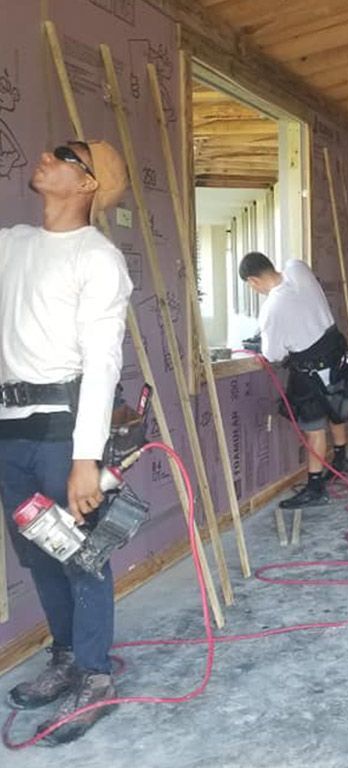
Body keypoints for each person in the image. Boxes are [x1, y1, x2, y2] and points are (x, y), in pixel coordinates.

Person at [1, 140, 132, 743]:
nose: (47, 157)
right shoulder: (13, 244)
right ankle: (65, 658)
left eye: (64, 155)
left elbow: (103, 362)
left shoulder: (97, 258)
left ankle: (96, 677)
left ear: (87, 184)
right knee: (41, 551)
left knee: (81, 556)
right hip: (10, 429)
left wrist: (86, 459)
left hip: (63, 431)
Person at [239, 252, 348, 508]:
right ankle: (341, 460)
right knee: (337, 409)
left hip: (313, 373)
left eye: (251, 286)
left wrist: (268, 337)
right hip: (338, 356)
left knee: (315, 430)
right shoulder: (297, 268)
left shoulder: (271, 309)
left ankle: (315, 488)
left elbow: (273, 355)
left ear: (252, 281)